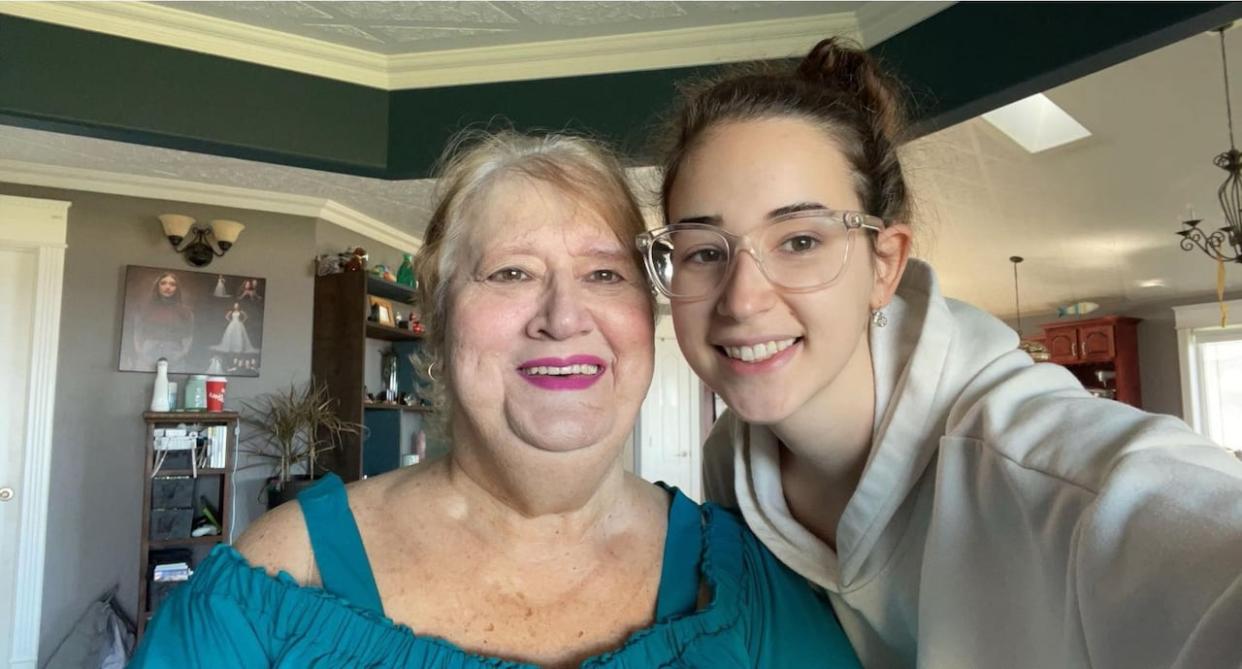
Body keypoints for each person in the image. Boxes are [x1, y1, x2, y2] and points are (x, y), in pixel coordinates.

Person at [131, 130, 860, 668]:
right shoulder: (277, 581)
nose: (563, 315)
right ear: (439, 323)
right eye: (511, 272)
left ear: (650, 315)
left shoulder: (754, 585)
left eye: (606, 275)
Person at [641, 38, 1242, 668]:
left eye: (799, 240)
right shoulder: (728, 467)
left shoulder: (1058, 477)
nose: (741, 299)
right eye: (704, 251)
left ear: (885, 265)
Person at [132, 271, 194, 369]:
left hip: (175, 355)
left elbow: (189, 335)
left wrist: (182, 354)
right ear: (157, 286)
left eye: (172, 284)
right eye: (163, 283)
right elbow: (137, 333)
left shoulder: (185, 311)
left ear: (177, 288)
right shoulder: (144, 308)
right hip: (147, 354)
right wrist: (141, 354)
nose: (167, 287)